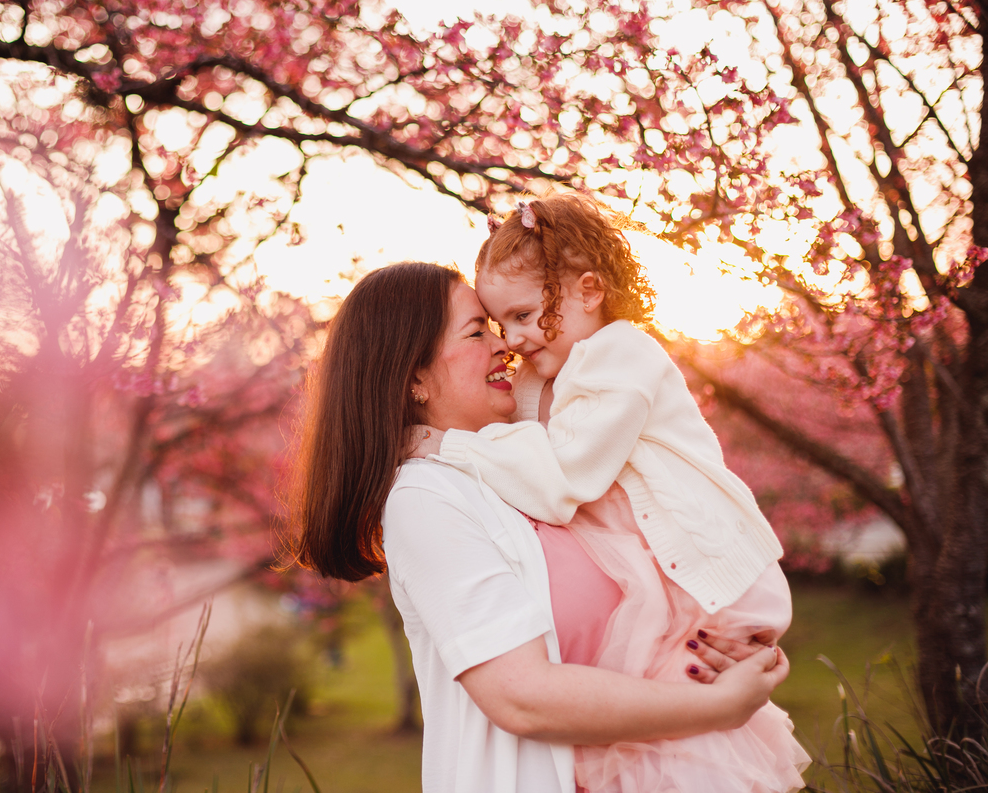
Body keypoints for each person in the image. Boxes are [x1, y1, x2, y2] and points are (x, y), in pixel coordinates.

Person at [289, 261, 791, 793]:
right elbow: (521, 696)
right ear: (414, 377)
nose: (505, 344)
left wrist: (730, 644)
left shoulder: (532, 467)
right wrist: (715, 705)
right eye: (477, 331)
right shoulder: (425, 498)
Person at [412, 194, 809, 792]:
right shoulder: (541, 374)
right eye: (495, 325)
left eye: (523, 315)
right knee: (657, 729)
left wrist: (445, 446)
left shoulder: (623, 356)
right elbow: (522, 454)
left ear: (589, 290)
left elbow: (562, 477)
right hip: (655, 570)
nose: (513, 339)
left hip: (704, 569)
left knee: (692, 738)